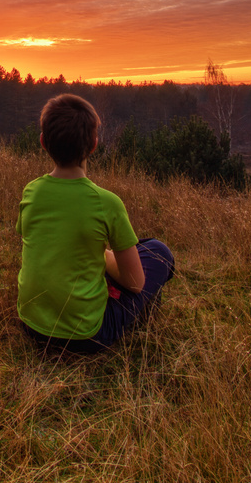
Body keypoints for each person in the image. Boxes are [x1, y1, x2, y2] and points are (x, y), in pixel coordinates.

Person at [16, 93, 174, 354]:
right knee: (159, 252)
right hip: (87, 337)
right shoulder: (107, 203)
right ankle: (141, 319)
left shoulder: (31, 192)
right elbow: (135, 283)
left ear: (43, 142)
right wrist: (103, 254)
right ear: (93, 145)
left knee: (137, 248)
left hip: (32, 326)